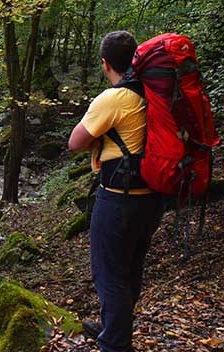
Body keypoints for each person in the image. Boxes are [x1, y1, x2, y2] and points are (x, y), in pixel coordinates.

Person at [67, 30, 165, 352]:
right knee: (130, 267)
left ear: (105, 63)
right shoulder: (151, 93)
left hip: (118, 199)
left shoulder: (113, 99)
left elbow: (74, 143)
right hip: (151, 197)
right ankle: (112, 326)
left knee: (108, 273)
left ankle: (114, 344)